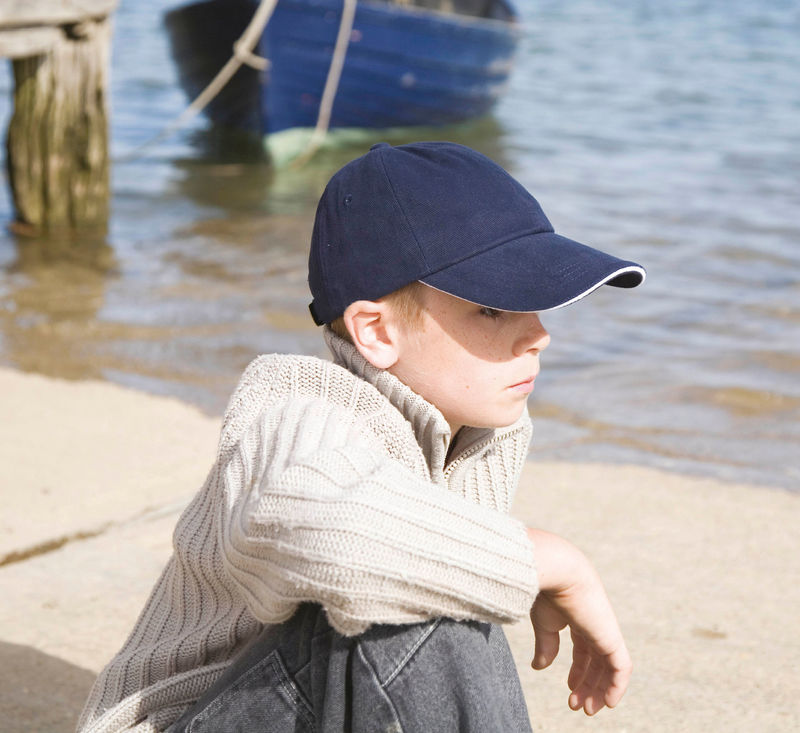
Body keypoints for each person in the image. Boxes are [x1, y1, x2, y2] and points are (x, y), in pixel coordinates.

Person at [77, 141, 644, 733]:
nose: (539, 335)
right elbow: (313, 523)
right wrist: (544, 559)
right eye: (493, 310)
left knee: (429, 577)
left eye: (538, 303)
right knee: (413, 604)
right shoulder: (297, 407)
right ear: (374, 331)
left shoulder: (476, 429)